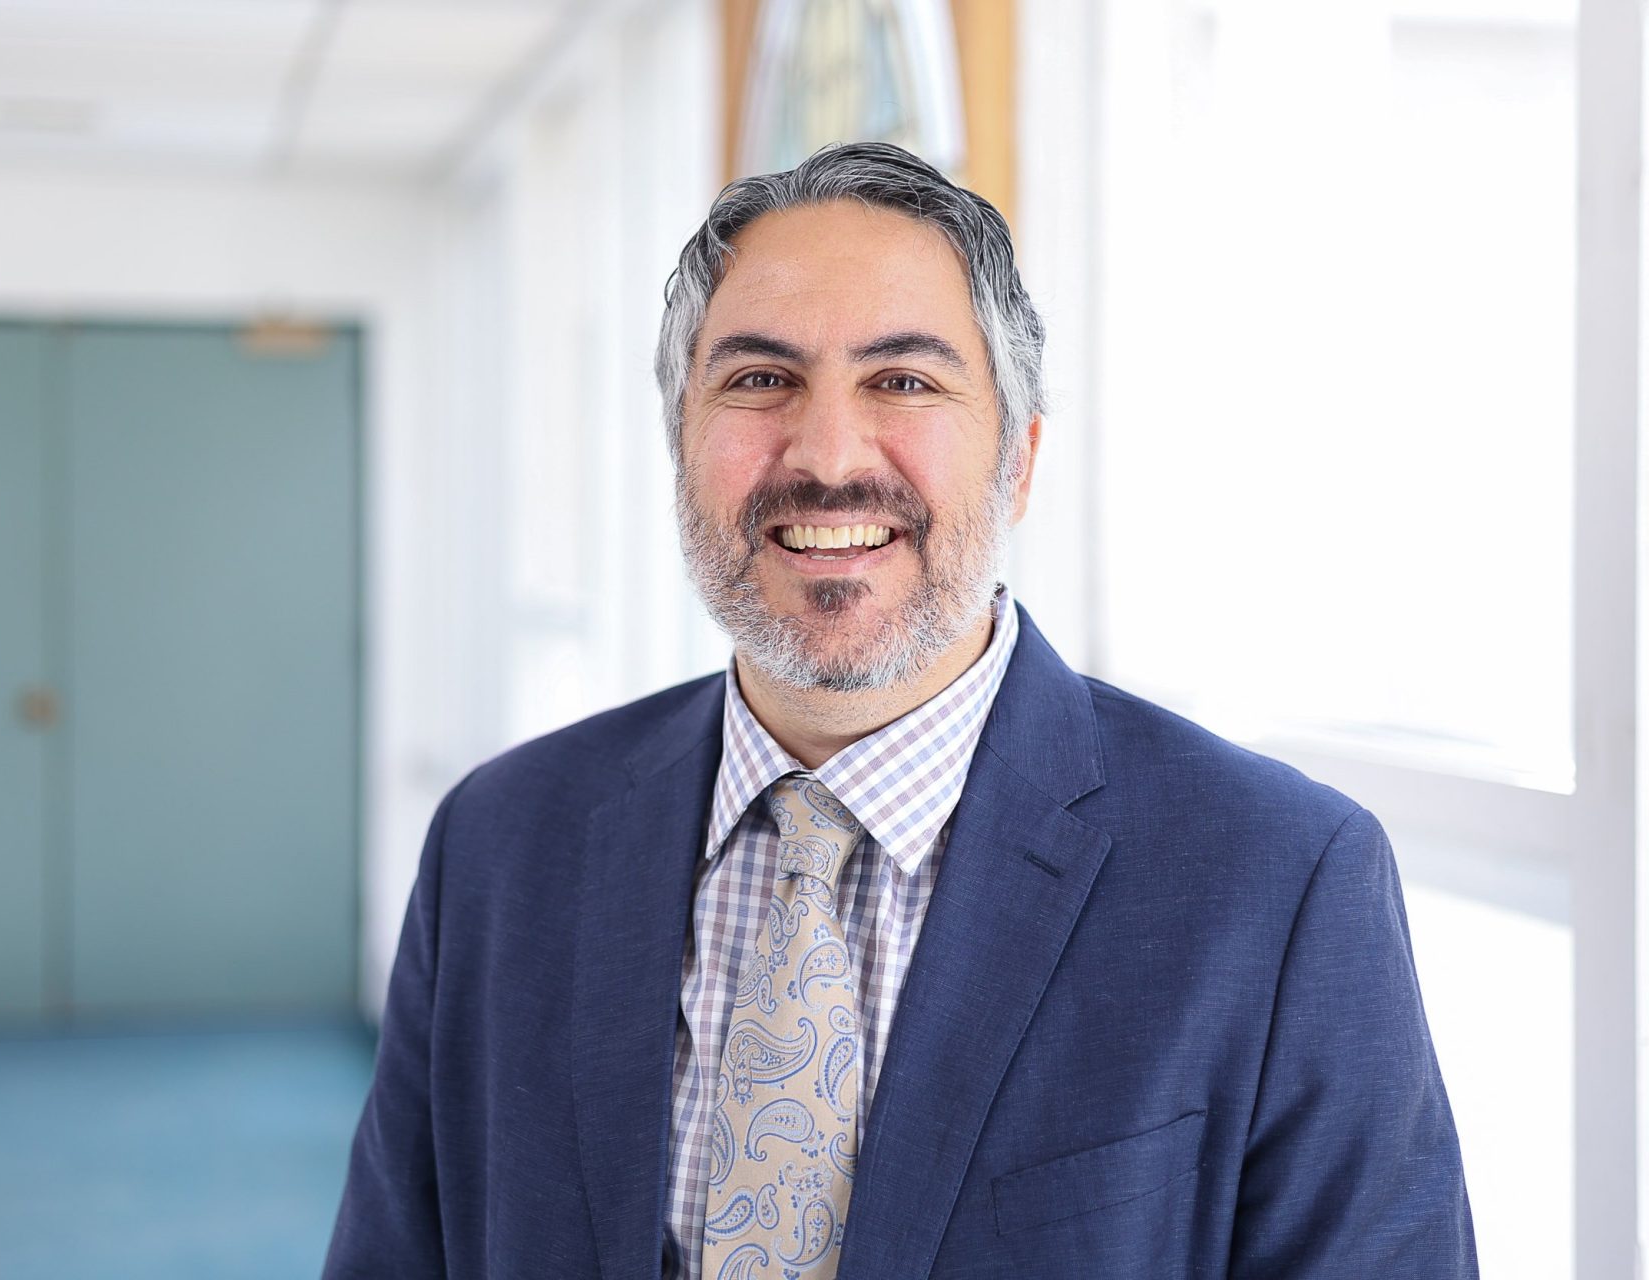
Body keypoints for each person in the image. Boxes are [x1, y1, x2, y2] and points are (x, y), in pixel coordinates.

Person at [322, 141, 1476, 1279]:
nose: (826, 454)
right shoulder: (502, 842)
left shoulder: (1276, 879)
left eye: (905, 380)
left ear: (1018, 461)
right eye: (760, 379)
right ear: (681, 448)